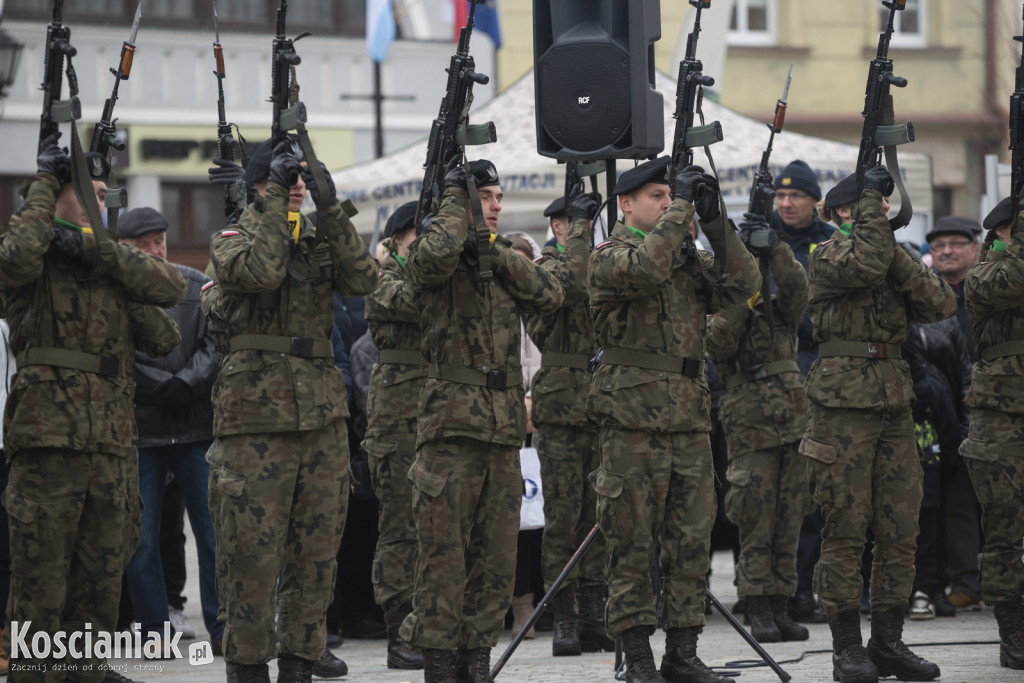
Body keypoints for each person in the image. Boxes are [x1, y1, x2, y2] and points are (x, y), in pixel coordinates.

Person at [0, 135, 187, 681]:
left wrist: (101, 254)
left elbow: (166, 314)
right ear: (60, 195)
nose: (102, 200)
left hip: (111, 441)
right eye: (90, 191)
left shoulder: (108, 262)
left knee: (102, 573)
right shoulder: (32, 264)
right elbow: (13, 260)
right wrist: (43, 191)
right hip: (48, 440)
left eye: (105, 192)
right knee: (41, 575)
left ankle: (85, 669)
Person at [203, 137, 378, 683]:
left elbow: (365, 279)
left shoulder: (318, 235)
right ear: (258, 186)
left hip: (321, 418)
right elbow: (260, 273)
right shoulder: (234, 237)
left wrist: (326, 201)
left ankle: (302, 663)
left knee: (316, 554)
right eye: (285, 177)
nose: (297, 183)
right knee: (251, 557)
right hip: (255, 420)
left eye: (300, 176)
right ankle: (249, 667)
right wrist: (278, 200)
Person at [588, 157, 759, 683]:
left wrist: (712, 219)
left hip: (687, 422)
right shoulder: (608, 256)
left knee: (690, 544)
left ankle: (683, 653)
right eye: (658, 196)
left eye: (671, 195)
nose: (668, 204)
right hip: (632, 423)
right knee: (631, 544)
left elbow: (744, 284)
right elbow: (644, 271)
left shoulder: (684, 258)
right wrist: (681, 209)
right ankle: (637, 658)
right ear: (625, 204)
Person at [398, 158, 564, 682]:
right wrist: (453, 208)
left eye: (497, 197)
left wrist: (491, 247)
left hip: (501, 432)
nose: (495, 206)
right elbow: (425, 266)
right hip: (450, 431)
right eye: (484, 197)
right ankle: (440, 666)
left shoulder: (497, 260)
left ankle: (476, 661)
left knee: (496, 563)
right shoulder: (438, 260)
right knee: (443, 561)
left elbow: (549, 294)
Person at [801, 168, 955, 683]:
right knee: (845, 526)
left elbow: (940, 303)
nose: (885, 212)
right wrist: (877, 230)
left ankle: (888, 641)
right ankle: (847, 646)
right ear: (847, 212)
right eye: (873, 205)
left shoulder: (889, 253)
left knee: (899, 528)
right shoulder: (827, 253)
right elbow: (864, 267)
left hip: (892, 399)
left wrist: (895, 250)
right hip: (842, 403)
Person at [118, 207, 223, 654]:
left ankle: (224, 629)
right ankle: (153, 632)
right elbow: (119, 351)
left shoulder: (194, 283)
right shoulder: (117, 289)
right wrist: (164, 386)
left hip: (197, 429)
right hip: (143, 431)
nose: (154, 251)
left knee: (214, 533)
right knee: (141, 540)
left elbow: (215, 341)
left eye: (158, 241)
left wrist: (189, 382)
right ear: (125, 248)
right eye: (143, 246)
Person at [704, 212, 811, 644]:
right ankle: (757, 604)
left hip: (792, 414)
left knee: (791, 515)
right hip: (749, 418)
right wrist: (743, 294)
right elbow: (718, 342)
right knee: (756, 517)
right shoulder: (721, 293)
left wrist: (777, 247)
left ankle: (783, 603)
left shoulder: (778, 305)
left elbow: (799, 289)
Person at [525, 193, 612, 656]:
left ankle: (595, 614)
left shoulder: (599, 260)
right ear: (558, 227)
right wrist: (581, 234)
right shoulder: (547, 268)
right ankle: (564, 617)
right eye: (572, 223)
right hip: (560, 406)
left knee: (598, 514)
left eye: (583, 222)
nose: (578, 229)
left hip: (599, 401)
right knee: (562, 517)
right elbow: (573, 285)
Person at [959, 196, 1024, 671]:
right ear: (1002, 232)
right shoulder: (986, 274)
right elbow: (1014, 279)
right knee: (1006, 528)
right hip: (1001, 418)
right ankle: (1014, 631)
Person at [362, 201, 427, 670]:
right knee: (402, 529)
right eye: (418, 240)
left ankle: (431, 625)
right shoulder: (383, 279)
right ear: (396, 241)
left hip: (440, 413)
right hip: (398, 420)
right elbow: (419, 303)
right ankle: (399, 630)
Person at [770, 159, 833, 625]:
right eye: (780, 196)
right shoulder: (761, 237)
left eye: (795, 196)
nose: (786, 204)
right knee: (763, 490)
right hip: (767, 374)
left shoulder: (830, 241)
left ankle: (802, 588)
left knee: (808, 492)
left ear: (815, 200)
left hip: (813, 369)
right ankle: (766, 591)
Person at [924, 216, 984, 612]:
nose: (947, 250)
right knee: (953, 499)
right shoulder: (922, 296)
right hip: (939, 414)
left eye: (956, 243)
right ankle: (963, 581)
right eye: (939, 244)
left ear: (975, 248)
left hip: (991, 406)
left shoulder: (990, 290)